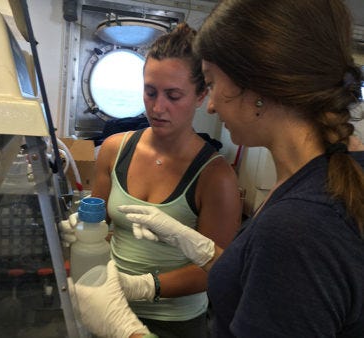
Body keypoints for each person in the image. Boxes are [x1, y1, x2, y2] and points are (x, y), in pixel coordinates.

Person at [70, 0, 364, 337]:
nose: (210, 103)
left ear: (257, 87)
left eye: (211, 82)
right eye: (150, 91)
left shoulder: (298, 228)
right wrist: (207, 252)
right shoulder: (316, 181)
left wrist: (126, 331)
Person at [67, 22, 241, 337]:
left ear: (201, 95)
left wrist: (146, 286)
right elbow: (100, 222)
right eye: (150, 92)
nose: (158, 107)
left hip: (175, 323)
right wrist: (81, 229)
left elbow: (217, 270)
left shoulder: (216, 176)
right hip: (110, 305)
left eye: (174, 95)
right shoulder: (115, 149)